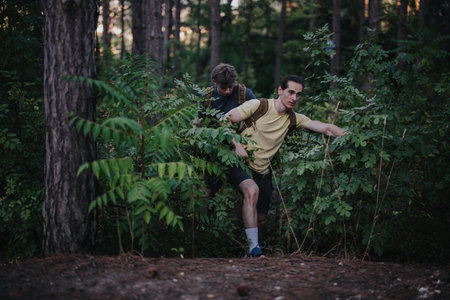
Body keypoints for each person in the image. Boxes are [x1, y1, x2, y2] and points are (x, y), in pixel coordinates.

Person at [224, 75, 350, 257]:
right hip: (240, 162)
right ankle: (253, 250)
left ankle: (250, 249)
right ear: (280, 90)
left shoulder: (293, 119)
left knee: (261, 219)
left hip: (263, 171)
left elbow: (326, 128)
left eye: (298, 95)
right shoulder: (258, 106)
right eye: (291, 92)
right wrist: (237, 145)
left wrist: (351, 135)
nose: (294, 98)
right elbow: (225, 120)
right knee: (251, 191)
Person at [201, 63, 256, 198]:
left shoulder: (244, 94)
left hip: (242, 148)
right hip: (215, 150)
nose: (228, 91)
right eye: (223, 88)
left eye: (230, 87)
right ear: (214, 82)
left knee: (247, 188)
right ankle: (207, 216)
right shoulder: (207, 97)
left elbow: (258, 114)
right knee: (211, 190)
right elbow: (199, 121)